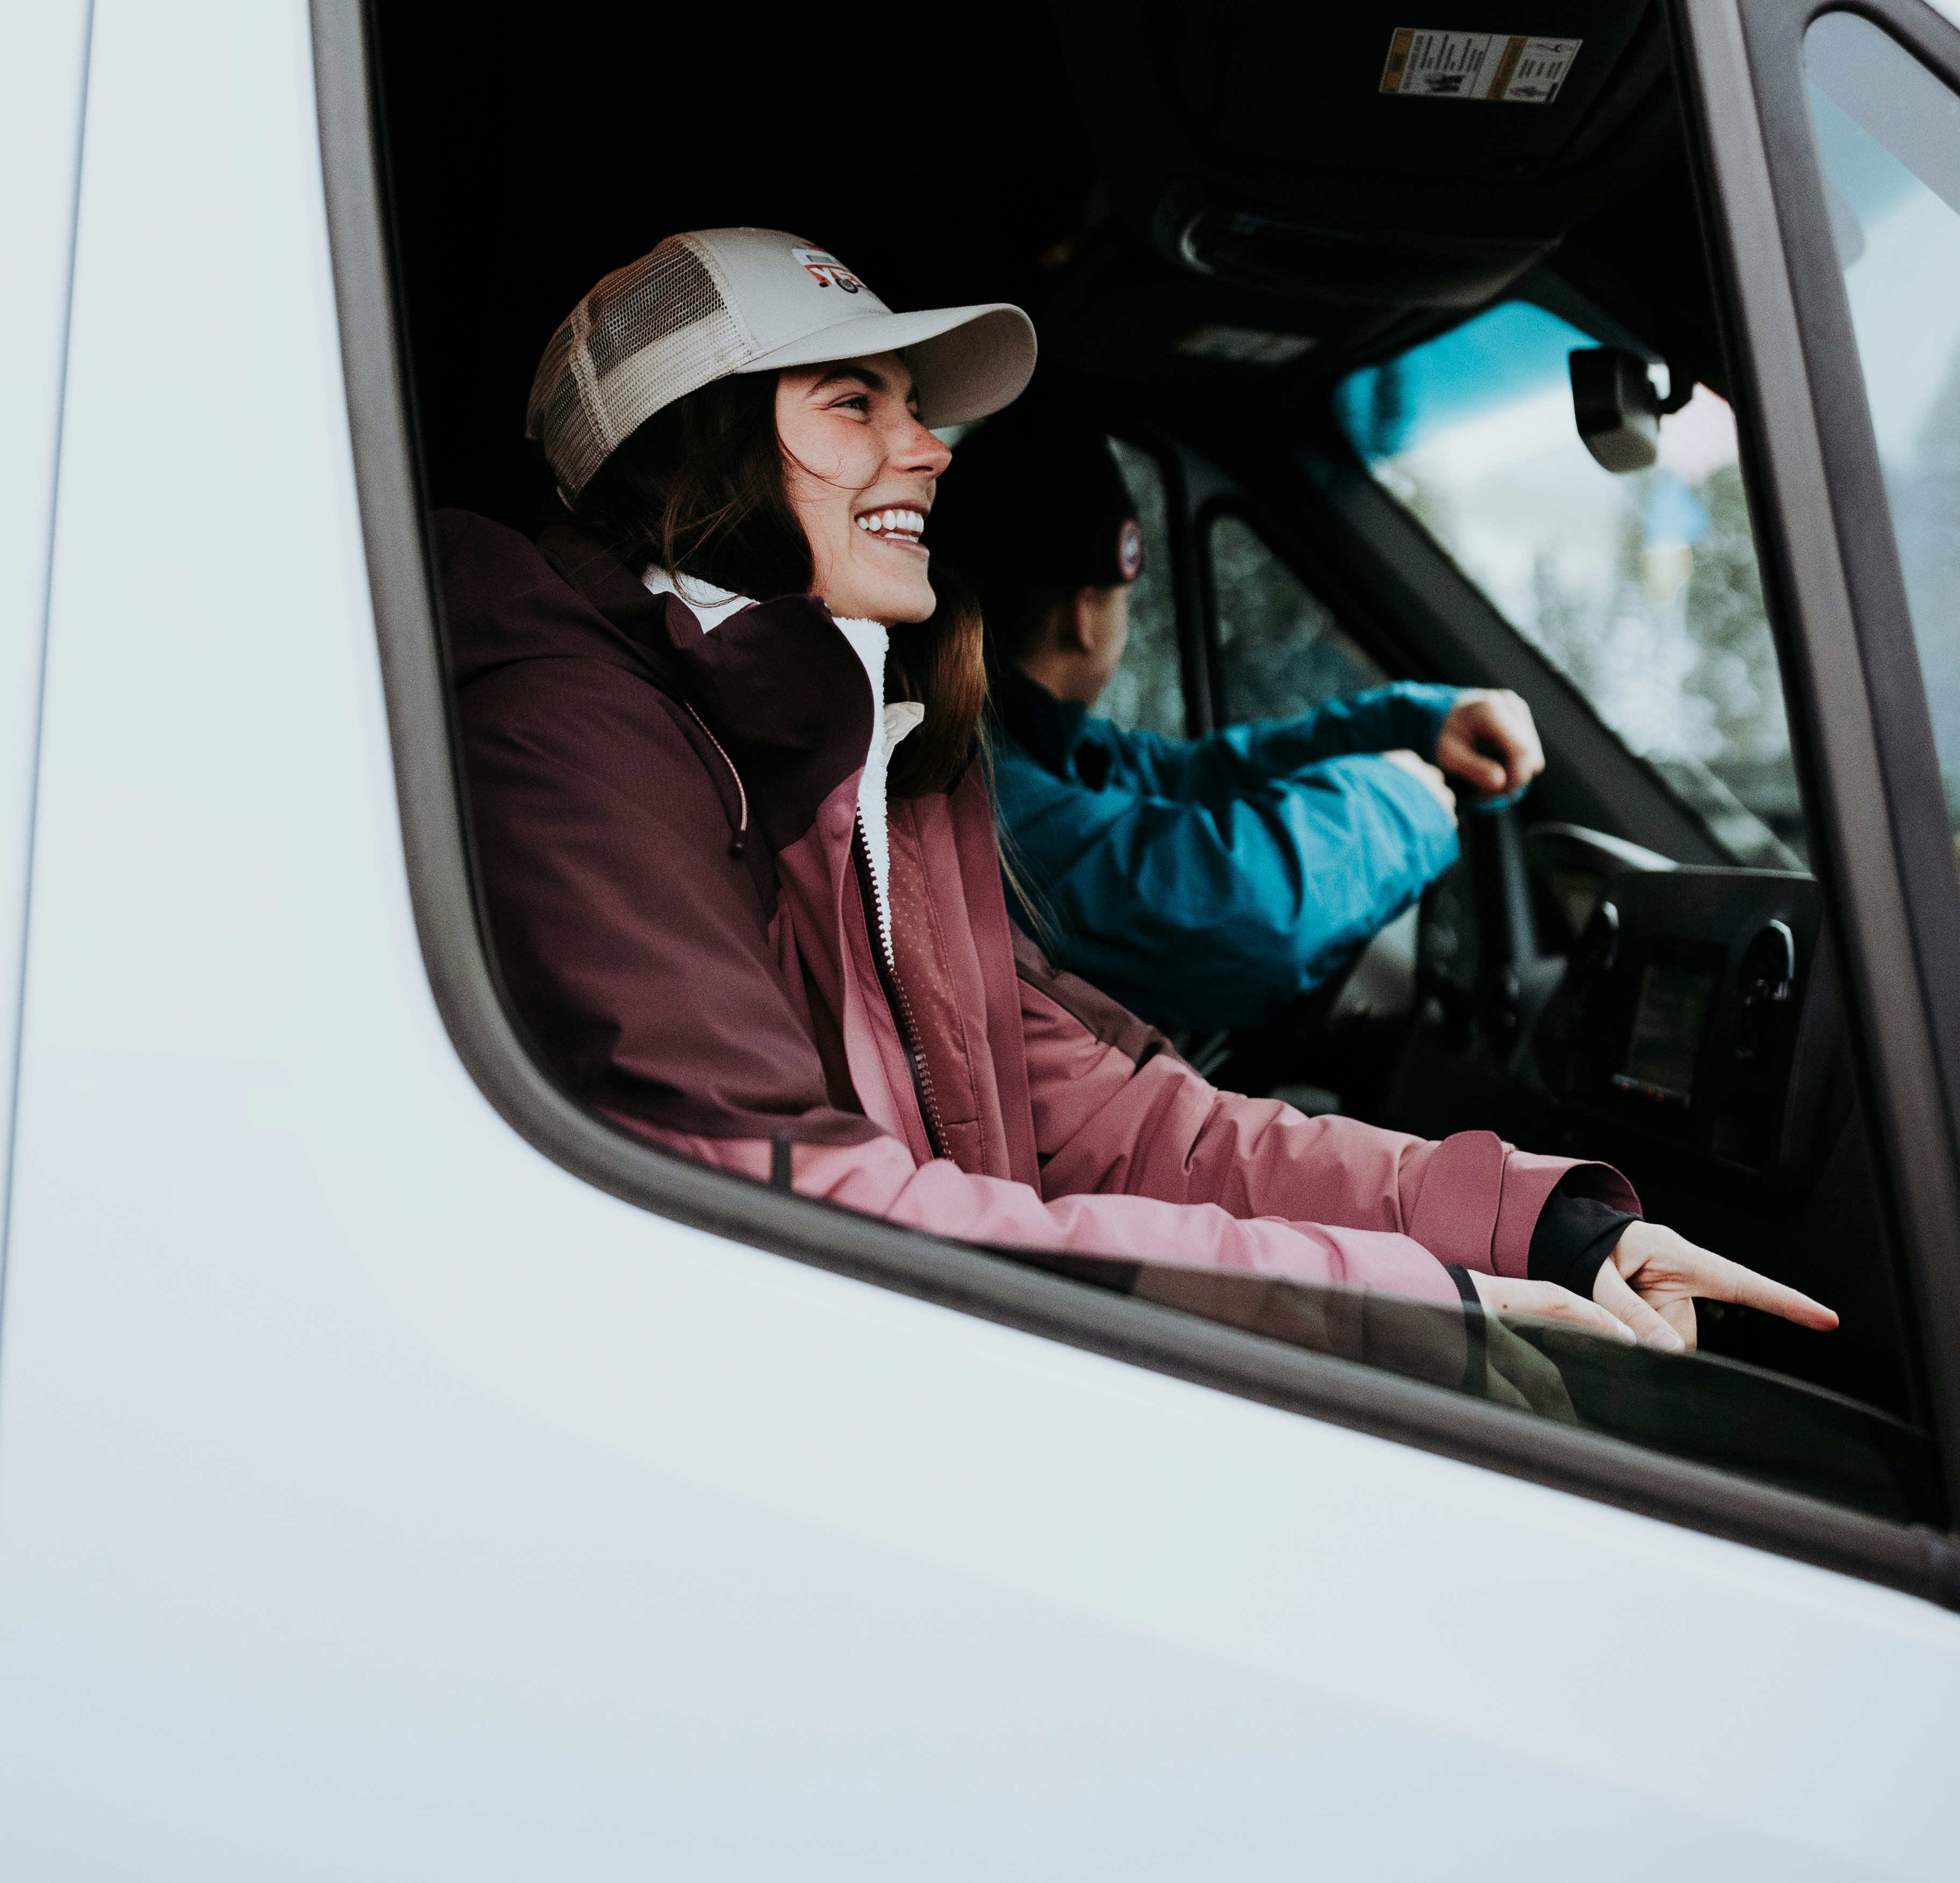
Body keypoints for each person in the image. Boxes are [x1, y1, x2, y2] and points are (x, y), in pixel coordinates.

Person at [440, 223, 1836, 1366]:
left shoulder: (881, 756)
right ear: (698, 450)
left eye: (915, 406)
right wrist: (1418, 1311)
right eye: (856, 404)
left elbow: (1111, 1122)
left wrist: (1537, 1230)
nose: (930, 449)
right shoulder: (568, 747)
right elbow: (798, 1213)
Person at [925, 384, 1538, 1045]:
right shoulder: (972, 791)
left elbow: (1195, 777)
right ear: (1085, 614)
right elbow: (1248, 914)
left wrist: (1413, 723)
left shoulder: (1030, 745)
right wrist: (1404, 804)